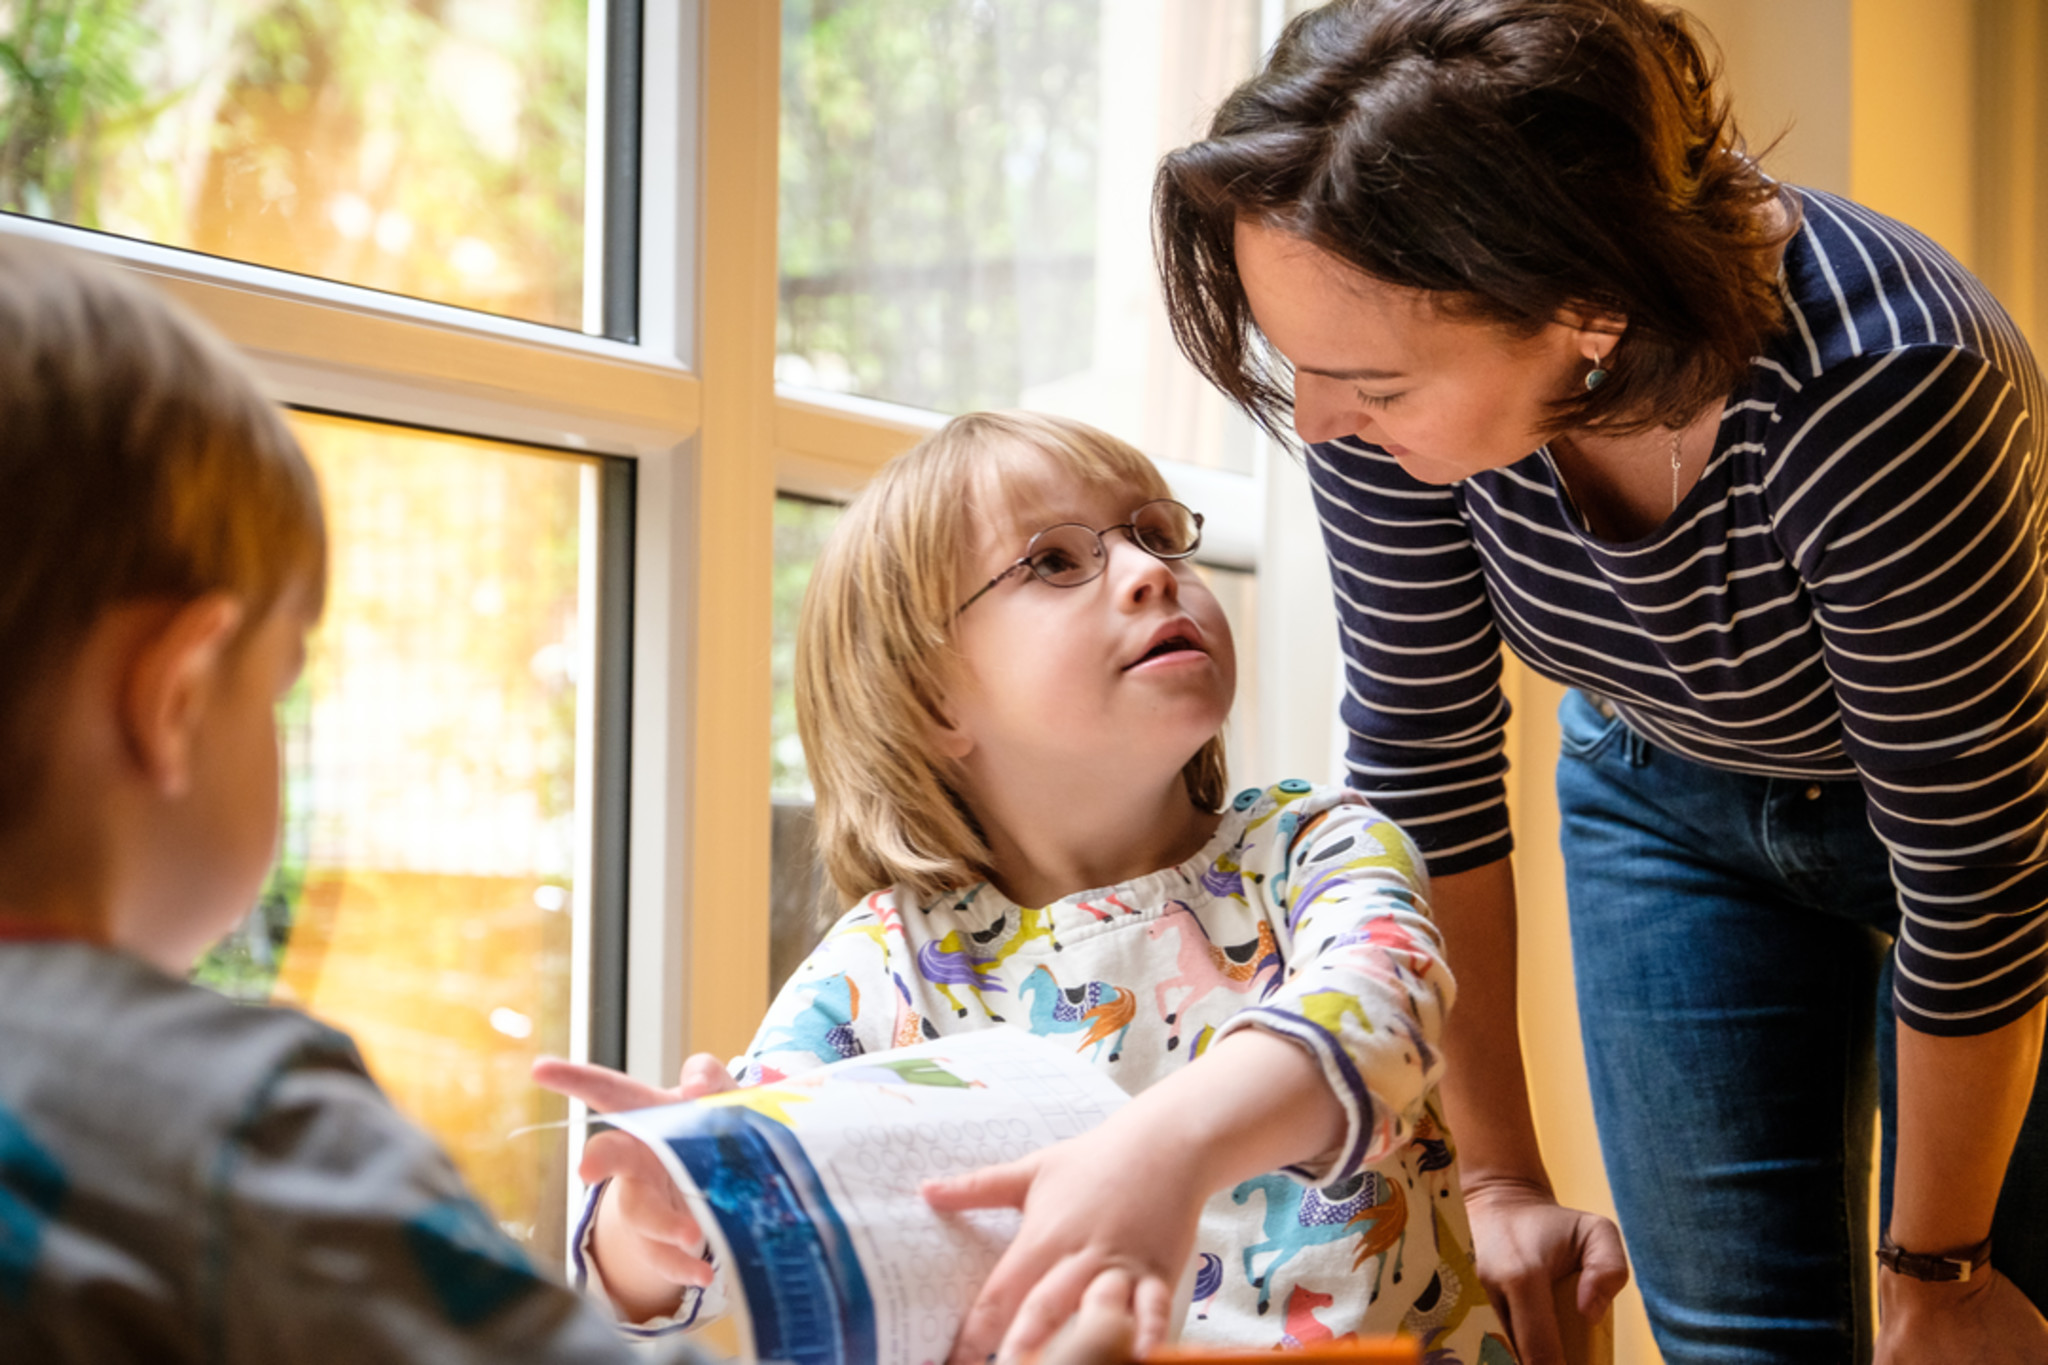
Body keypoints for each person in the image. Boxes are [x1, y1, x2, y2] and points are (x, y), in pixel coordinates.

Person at [1150, 2, 2048, 1364]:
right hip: (1664, 792)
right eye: (1306, 370)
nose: (1322, 420)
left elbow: (1978, 878)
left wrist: (1941, 1269)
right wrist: (1495, 1180)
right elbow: (1425, 761)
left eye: (1369, 386)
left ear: (1584, 308)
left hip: (1991, 825)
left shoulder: (1879, 383)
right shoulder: (1372, 369)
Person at [537, 410, 1516, 1365]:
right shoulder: (889, 965)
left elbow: (1376, 1020)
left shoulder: (1313, 846)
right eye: (1053, 561)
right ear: (929, 701)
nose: (1148, 573)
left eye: (1155, 534)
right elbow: (716, 1245)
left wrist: (1157, 1156)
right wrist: (650, 1220)